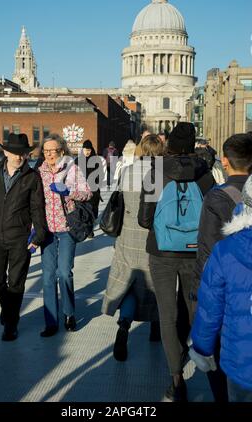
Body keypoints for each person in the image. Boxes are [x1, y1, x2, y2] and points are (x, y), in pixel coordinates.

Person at [138, 122, 215, 402]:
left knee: (167, 315)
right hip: (195, 253)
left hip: (162, 251)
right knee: (192, 310)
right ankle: (212, 370)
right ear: (194, 145)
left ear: (169, 143)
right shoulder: (205, 175)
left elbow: (144, 219)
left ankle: (176, 379)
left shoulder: (155, 172)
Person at [191, 133, 252, 401]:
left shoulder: (217, 199)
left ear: (225, 162)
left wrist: (202, 347)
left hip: (241, 360)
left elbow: (206, 251)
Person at [102, 134, 163, 361]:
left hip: (127, 236)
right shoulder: (160, 175)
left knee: (128, 284)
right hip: (152, 237)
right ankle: (155, 328)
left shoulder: (129, 172)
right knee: (154, 283)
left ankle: (124, 325)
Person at [0, 133, 47, 341]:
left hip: (19, 238)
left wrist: (39, 235)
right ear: (6, 152)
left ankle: (11, 324)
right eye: (16, 153)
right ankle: (8, 310)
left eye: (24, 153)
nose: (20, 157)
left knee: (16, 283)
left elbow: (37, 208)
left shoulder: (32, 177)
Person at [38, 134, 92, 336]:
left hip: (67, 228)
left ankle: (69, 313)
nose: (49, 154)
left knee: (64, 272)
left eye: (53, 150)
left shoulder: (72, 169)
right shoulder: (39, 172)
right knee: (48, 276)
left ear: (62, 151)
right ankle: (51, 321)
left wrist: (67, 191)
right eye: (46, 151)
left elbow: (87, 192)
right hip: (47, 230)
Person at [75, 139, 106, 238]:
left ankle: (89, 229)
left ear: (91, 150)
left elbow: (100, 175)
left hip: (93, 191)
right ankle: (85, 229)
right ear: (82, 150)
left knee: (92, 211)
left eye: (89, 150)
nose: (87, 152)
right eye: (85, 150)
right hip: (81, 191)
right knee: (82, 210)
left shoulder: (96, 161)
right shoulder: (77, 161)